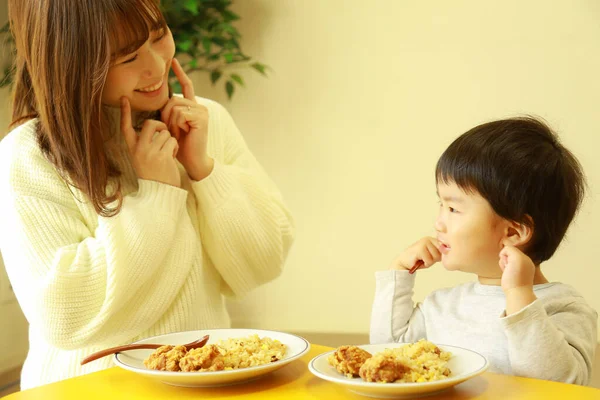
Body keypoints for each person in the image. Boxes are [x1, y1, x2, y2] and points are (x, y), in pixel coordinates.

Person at [0, 0, 294, 389]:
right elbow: (64, 316)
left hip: (205, 385)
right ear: (74, 66)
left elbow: (266, 261)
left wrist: (204, 171)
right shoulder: (28, 155)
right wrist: (155, 195)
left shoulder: (202, 121)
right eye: (127, 59)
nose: (155, 67)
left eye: (159, 37)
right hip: (85, 390)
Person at [369, 117, 597, 385]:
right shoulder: (441, 306)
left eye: (453, 209)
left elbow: (557, 384)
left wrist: (519, 295)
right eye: (440, 204)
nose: (438, 222)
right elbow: (386, 351)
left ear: (513, 233)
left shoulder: (563, 307)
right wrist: (399, 271)